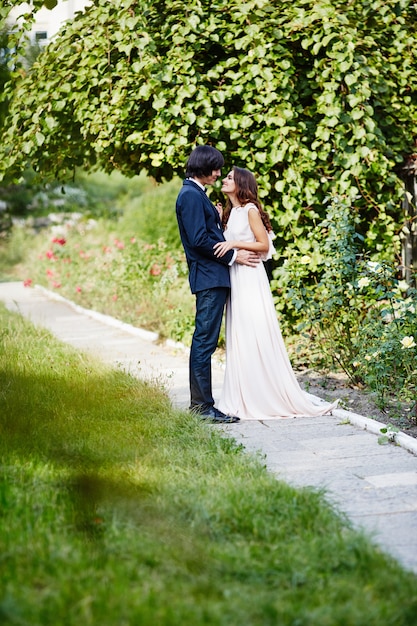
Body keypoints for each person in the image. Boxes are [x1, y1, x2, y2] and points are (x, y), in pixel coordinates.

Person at [214, 166, 338, 420]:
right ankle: (244, 393)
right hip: (236, 276)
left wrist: (234, 243)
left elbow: (264, 244)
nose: (224, 180)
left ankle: (265, 394)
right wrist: (219, 221)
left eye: (229, 177)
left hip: (250, 276)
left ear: (241, 184)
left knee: (254, 331)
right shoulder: (231, 212)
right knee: (240, 334)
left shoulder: (249, 210)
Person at [175, 146, 260, 424]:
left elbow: (205, 233)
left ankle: (203, 405)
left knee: (206, 340)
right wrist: (235, 255)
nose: (219, 174)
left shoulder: (197, 195)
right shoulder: (190, 195)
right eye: (216, 169)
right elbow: (199, 241)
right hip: (209, 278)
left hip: (214, 277)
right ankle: (201, 407)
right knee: (204, 341)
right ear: (203, 166)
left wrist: (214, 216)